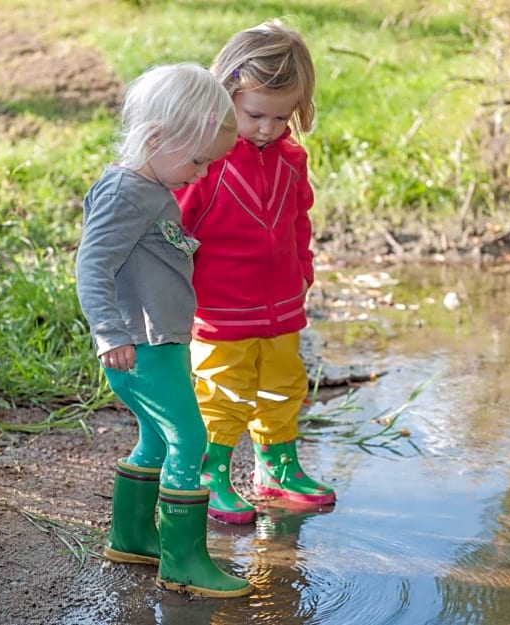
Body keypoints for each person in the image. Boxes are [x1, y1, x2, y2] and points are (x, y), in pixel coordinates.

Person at [75, 62, 252, 598]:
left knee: (156, 436)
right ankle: (184, 560)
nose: (200, 172)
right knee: (188, 438)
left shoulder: (146, 188)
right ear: (155, 138)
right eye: (197, 159)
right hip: (140, 349)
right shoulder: (127, 193)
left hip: (160, 344)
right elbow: (91, 263)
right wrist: (109, 332)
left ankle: (131, 536)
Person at [175, 20, 336, 525]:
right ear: (226, 96)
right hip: (220, 305)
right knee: (224, 388)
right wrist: (172, 292)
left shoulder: (292, 158)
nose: (268, 127)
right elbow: (177, 228)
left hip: (282, 301)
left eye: (281, 116)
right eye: (254, 114)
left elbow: (298, 219)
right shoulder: (208, 163)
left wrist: (304, 270)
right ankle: (210, 472)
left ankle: (276, 468)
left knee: (284, 382)